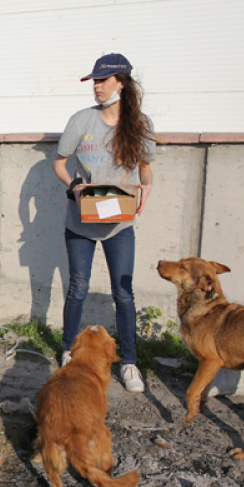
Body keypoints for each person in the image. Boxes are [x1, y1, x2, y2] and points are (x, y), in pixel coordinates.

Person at [52, 53, 155, 393]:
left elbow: (144, 168)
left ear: (121, 83)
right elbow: (61, 163)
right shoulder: (82, 120)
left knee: (123, 294)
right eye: (94, 81)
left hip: (119, 225)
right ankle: (68, 351)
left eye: (102, 80)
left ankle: (128, 362)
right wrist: (74, 187)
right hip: (82, 221)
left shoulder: (139, 125)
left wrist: (147, 188)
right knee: (78, 288)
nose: (96, 86)